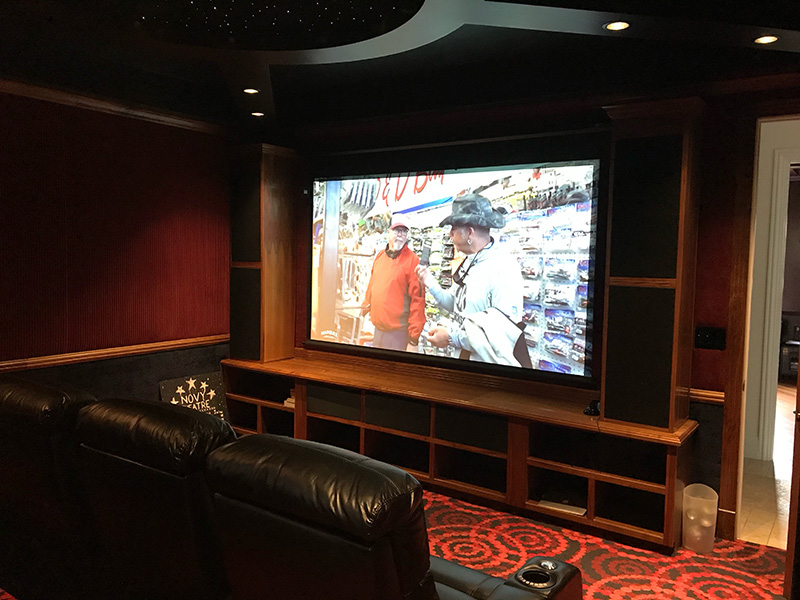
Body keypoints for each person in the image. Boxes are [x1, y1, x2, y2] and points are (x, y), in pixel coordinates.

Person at [415, 193, 526, 365]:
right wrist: (429, 281)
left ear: (469, 232)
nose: (450, 234)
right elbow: (455, 304)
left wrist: (451, 338)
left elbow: (501, 333)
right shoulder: (470, 261)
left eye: (453, 228)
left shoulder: (504, 268)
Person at [361, 215, 426, 352]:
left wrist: (413, 340)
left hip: (397, 336)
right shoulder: (380, 256)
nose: (400, 235)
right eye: (397, 230)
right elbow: (372, 285)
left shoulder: (413, 261)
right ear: (388, 232)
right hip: (378, 331)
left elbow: (418, 301)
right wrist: (364, 307)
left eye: (404, 231)